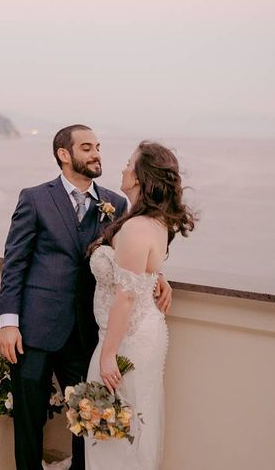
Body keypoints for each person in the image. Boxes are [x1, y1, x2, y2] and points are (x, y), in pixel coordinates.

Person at [0, 125, 173, 470]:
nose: (96, 154)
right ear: (64, 155)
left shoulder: (116, 202)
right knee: (29, 419)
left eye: (98, 147)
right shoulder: (35, 198)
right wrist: (8, 322)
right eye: (87, 148)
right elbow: (14, 262)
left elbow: (130, 256)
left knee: (90, 420)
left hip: (85, 335)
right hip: (34, 329)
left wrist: (160, 275)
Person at [85, 141, 196, 469]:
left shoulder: (136, 227)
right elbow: (140, 271)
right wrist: (156, 275)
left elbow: (127, 295)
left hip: (125, 340)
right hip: (133, 334)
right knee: (123, 424)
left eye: (129, 163)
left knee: (118, 426)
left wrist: (108, 354)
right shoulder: (152, 221)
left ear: (141, 177)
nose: (122, 168)